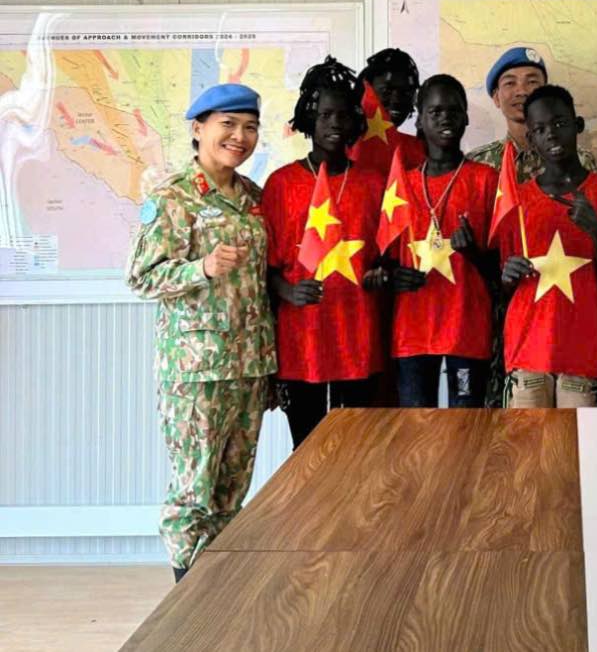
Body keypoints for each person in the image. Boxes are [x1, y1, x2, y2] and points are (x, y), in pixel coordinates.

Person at [125, 83, 275, 583]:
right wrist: (201, 269)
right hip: (196, 372)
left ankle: (216, 598)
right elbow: (140, 277)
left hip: (249, 368)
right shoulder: (174, 197)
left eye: (249, 127)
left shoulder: (253, 199)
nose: (239, 136)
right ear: (198, 129)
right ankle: (185, 604)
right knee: (194, 492)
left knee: (231, 494)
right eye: (227, 125)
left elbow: (260, 286)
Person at [261, 58, 384, 448]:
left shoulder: (373, 184)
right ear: (308, 120)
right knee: (307, 450)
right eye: (325, 114)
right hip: (304, 338)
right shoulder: (281, 184)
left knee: (357, 449)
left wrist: (381, 275)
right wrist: (287, 291)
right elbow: (264, 268)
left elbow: (388, 256)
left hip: (357, 335)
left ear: (356, 123)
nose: (335, 123)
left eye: (344, 115)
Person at [496, 85, 597, 407]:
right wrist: (508, 276)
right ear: (530, 139)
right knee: (528, 451)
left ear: (578, 125)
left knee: (577, 450)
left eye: (560, 124)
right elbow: (502, 288)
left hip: (582, 355)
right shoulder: (517, 200)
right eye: (540, 130)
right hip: (527, 351)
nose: (552, 135)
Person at [390, 74, 499, 408]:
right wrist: (394, 276)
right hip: (412, 331)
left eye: (454, 110)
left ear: (466, 118)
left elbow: (502, 268)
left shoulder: (485, 179)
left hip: (467, 329)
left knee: (465, 430)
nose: (445, 118)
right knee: (414, 432)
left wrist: (474, 254)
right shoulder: (402, 184)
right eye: (435, 111)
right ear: (419, 120)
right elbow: (386, 258)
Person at [467, 46, 597, 179]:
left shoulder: (578, 160)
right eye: (510, 83)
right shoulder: (478, 163)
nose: (522, 91)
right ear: (496, 98)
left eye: (532, 82)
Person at [355, 48, 426, 171]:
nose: (396, 100)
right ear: (365, 90)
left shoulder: (420, 150)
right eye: (386, 91)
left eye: (406, 92)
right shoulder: (341, 148)